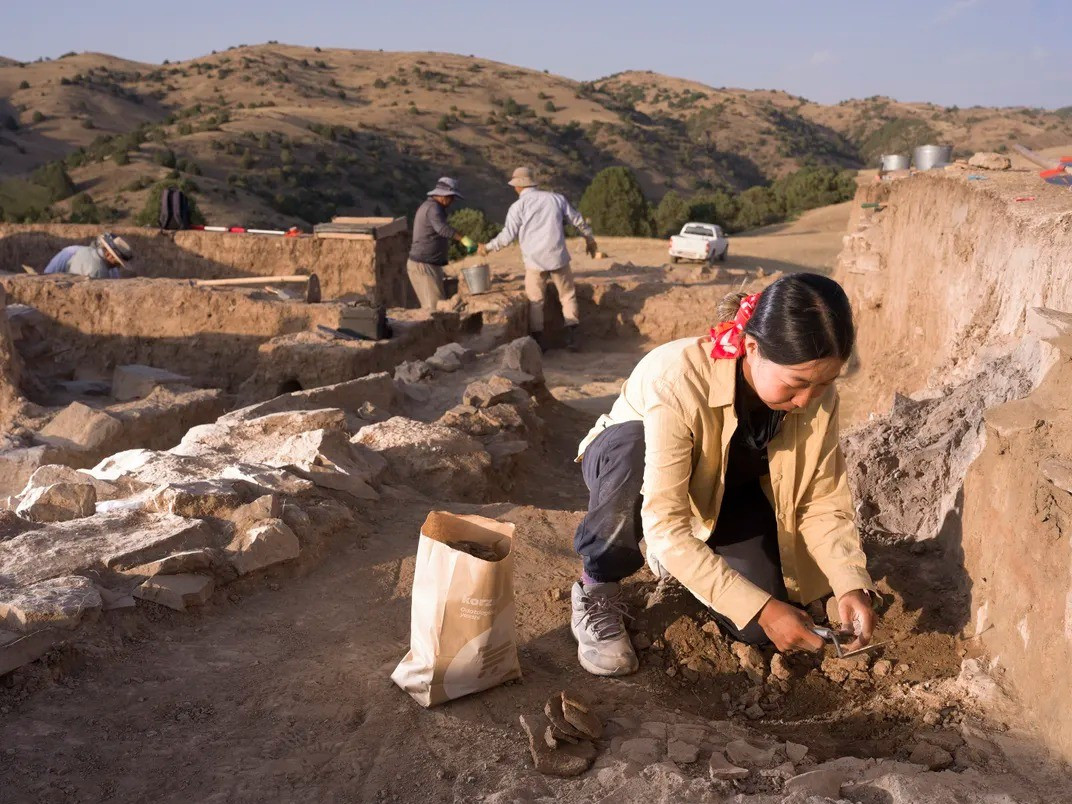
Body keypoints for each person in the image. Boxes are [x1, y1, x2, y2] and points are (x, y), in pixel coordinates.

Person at [568, 273, 877, 677]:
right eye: (796, 385)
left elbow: (821, 499)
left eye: (823, 384)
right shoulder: (677, 379)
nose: (806, 400)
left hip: (725, 485)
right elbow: (664, 523)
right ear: (752, 347)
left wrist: (848, 581)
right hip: (627, 463)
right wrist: (764, 609)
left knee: (755, 625)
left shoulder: (817, 394)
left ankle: (686, 554)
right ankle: (597, 586)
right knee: (633, 450)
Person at [478, 167, 597, 351]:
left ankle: (538, 343)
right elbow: (577, 220)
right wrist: (589, 239)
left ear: (518, 187)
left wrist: (487, 248)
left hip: (534, 261)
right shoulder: (555, 198)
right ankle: (572, 336)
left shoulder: (518, 207)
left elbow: (507, 236)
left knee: (535, 301)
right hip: (558, 256)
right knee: (567, 296)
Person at [407, 177, 474, 310]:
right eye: (451, 197)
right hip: (423, 266)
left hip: (430, 265)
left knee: (437, 305)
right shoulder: (433, 208)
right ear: (443, 195)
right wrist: (463, 239)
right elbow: (442, 229)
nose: (452, 200)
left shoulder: (434, 207)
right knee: (434, 308)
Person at [43, 233, 134, 279]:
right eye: (117, 262)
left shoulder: (79, 251)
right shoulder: (99, 271)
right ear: (108, 254)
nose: (118, 266)